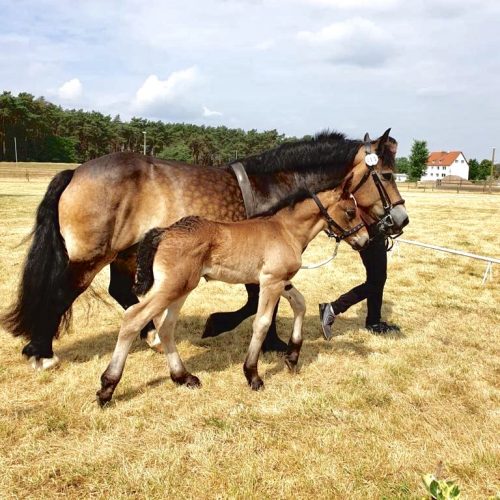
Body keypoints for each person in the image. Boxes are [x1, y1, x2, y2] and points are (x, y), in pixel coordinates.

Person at [319, 224, 401, 338]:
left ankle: (374, 322)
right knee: (376, 281)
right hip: (371, 234)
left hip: (374, 234)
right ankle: (333, 308)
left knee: (377, 278)